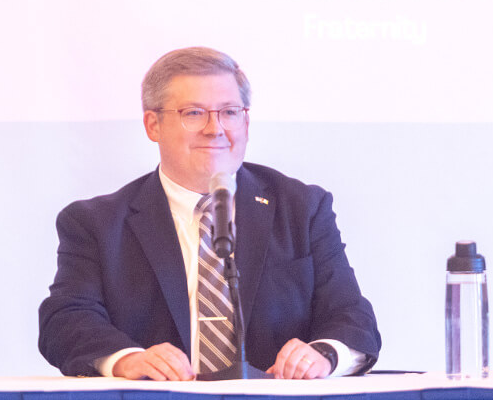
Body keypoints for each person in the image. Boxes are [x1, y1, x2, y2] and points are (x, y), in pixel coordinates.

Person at [38, 46, 380, 380]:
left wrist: (324, 354)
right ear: (152, 125)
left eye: (230, 112)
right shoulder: (96, 224)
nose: (215, 128)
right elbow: (66, 321)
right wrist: (129, 361)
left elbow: (352, 318)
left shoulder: (302, 209)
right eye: (193, 113)